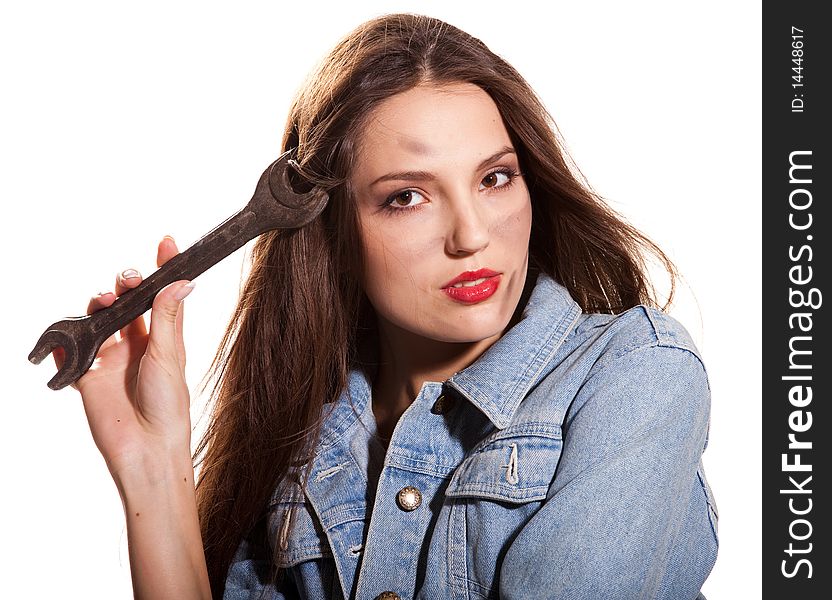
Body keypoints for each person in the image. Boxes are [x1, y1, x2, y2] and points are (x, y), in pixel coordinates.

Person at [54, 12, 718, 600]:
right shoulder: (301, 451)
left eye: (495, 178)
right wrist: (155, 467)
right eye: (407, 196)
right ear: (336, 235)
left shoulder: (638, 371)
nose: (471, 235)